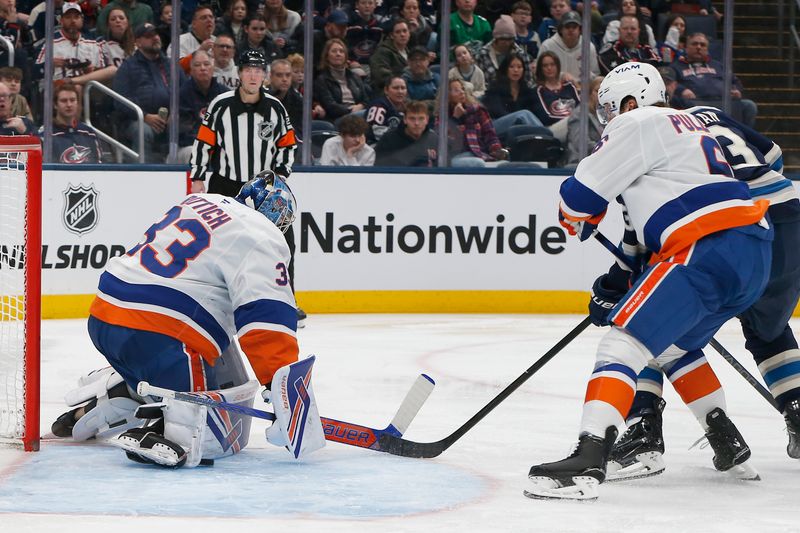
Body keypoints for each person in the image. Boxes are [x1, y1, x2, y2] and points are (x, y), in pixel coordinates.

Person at [525, 62, 773, 501]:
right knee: (673, 346)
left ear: (627, 101)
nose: (607, 123)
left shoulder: (637, 122)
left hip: (704, 245)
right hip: (754, 249)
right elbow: (640, 238)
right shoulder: (691, 126)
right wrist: (618, 284)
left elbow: (577, 200)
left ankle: (588, 459)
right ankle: (724, 435)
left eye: (608, 111)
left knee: (622, 344)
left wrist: (576, 216)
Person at [49, 172, 323, 468]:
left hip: (104, 315)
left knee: (206, 348)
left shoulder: (199, 201)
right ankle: (171, 433)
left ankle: (121, 389)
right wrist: (280, 386)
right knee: (209, 435)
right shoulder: (263, 235)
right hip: (161, 336)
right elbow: (267, 317)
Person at [606, 105, 800, 479]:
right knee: (769, 329)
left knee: (652, 326)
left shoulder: (647, 135)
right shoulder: (704, 112)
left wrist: (618, 282)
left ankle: (644, 427)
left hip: (728, 226)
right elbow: (773, 156)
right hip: (786, 216)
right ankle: (797, 409)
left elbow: (641, 230)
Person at [190, 49, 297, 195]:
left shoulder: (275, 108)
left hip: (262, 189)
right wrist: (197, 178)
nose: (253, 76)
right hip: (222, 186)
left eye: (258, 71)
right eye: (248, 70)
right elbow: (203, 143)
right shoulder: (220, 105)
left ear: (264, 75)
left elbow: (287, 145)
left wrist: (281, 175)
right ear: (239, 73)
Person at [113, 22, 185, 163]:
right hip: (138, 120)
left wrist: (176, 113)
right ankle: (144, 175)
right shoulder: (128, 67)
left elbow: (185, 92)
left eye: (156, 34)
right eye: (149, 36)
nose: (155, 38)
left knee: (192, 126)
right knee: (143, 131)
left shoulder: (171, 65)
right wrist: (145, 116)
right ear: (138, 42)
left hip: (171, 119)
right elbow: (121, 100)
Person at [671, 32, 758, 127]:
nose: (698, 47)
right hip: (694, 104)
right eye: (694, 44)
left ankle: (747, 139)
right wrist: (681, 90)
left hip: (721, 102)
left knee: (749, 106)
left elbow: (735, 81)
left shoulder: (718, 65)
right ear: (686, 47)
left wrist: (735, 89)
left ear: (707, 49)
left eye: (702, 45)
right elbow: (668, 83)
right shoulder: (676, 66)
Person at [35, 3, 116, 85]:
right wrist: (49, 64)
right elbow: (34, 73)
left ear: (82, 20)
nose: (73, 21)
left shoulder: (93, 43)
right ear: (61, 21)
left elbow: (102, 72)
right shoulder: (50, 43)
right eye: (68, 17)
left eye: (76, 17)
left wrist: (90, 70)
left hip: (87, 87)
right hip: (58, 87)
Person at [442, 77, 508, 168]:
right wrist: (455, 119)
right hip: (456, 157)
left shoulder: (478, 110)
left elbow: (490, 135)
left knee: (505, 164)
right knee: (477, 163)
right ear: (447, 95)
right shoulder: (443, 115)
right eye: (456, 90)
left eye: (462, 89)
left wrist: (497, 150)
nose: (462, 92)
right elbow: (442, 143)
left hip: (480, 154)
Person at [481, 53, 545, 141]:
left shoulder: (526, 90)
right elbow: (497, 111)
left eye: (519, 67)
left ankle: (544, 138)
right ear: (505, 69)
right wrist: (517, 120)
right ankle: (546, 136)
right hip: (495, 125)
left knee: (524, 116)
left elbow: (535, 111)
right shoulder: (495, 87)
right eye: (512, 67)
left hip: (517, 128)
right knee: (523, 114)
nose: (516, 70)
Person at [177, 50, 227, 163]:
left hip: (217, 144)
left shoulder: (224, 94)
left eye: (206, 64)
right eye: (197, 65)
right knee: (194, 152)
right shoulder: (182, 94)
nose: (203, 68)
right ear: (191, 69)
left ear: (213, 67)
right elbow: (184, 131)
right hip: (188, 145)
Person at [43, 81, 103, 163]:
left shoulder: (89, 133)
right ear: (55, 105)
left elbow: (99, 167)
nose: (69, 104)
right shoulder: (45, 135)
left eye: (72, 100)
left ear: (77, 103)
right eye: (64, 101)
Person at [314, 38, 371, 122]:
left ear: (345, 56)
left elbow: (366, 100)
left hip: (359, 112)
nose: (338, 54)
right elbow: (330, 106)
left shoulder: (354, 76)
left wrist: (360, 106)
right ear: (327, 56)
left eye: (341, 51)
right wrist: (350, 110)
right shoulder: (322, 79)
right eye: (334, 51)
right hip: (339, 118)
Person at [537, 10, 599, 84]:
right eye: (567, 27)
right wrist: (561, 76)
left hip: (581, 89)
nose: (571, 30)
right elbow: (539, 73)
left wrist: (588, 76)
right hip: (554, 88)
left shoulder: (588, 47)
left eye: (574, 27)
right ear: (561, 29)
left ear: (580, 29)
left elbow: (595, 74)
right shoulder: (547, 46)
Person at [475, 14, 534, 89]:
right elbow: (479, 83)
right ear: (496, 38)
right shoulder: (483, 54)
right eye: (503, 39)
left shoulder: (521, 54)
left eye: (510, 39)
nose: (506, 42)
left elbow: (528, 81)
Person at [532, 50, 580, 142]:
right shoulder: (539, 90)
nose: (549, 68)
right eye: (545, 66)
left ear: (558, 66)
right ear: (540, 69)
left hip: (575, 124)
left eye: (552, 64)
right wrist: (571, 119)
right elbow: (546, 117)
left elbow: (581, 108)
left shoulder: (569, 86)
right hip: (554, 129)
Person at [374, 99, 437, 167]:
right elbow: (379, 169)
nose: (416, 123)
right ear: (405, 119)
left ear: (427, 120)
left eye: (421, 118)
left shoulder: (435, 140)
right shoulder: (388, 140)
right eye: (412, 118)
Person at [564, 75, 603, 167]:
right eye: (598, 91)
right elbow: (580, 143)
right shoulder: (579, 114)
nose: (601, 95)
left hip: (603, 160)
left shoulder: (610, 115)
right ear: (590, 94)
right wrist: (607, 148)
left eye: (605, 91)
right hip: (580, 162)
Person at [370, 17, 410, 91]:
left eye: (405, 31)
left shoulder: (409, 52)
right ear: (391, 35)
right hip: (387, 91)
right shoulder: (382, 51)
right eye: (398, 32)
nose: (402, 34)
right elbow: (381, 75)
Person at [268, 58, 304, 138]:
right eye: (279, 75)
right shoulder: (260, 97)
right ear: (271, 77)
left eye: (288, 75)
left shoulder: (298, 101)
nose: (284, 79)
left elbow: (297, 134)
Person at [365, 74, 406, 142]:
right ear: (386, 90)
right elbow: (375, 131)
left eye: (403, 88)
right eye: (396, 88)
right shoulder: (378, 106)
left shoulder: (406, 106)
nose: (400, 91)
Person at [346, 0, 384, 70]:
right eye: (363, 3)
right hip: (354, 63)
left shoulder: (379, 26)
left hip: (373, 63)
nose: (367, 6)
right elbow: (345, 46)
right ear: (357, 5)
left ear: (375, 5)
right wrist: (350, 61)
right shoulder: (349, 24)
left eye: (370, 3)